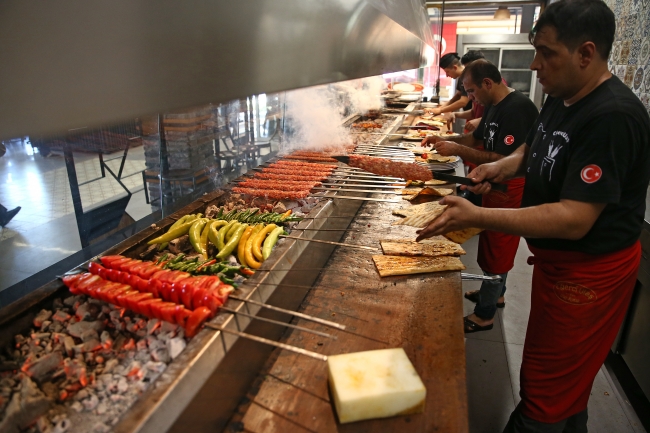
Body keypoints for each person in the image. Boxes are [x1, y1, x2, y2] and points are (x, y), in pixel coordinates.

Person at [416, 0, 650, 430]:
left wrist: (481, 217)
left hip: (588, 275)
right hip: (559, 265)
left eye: (547, 53)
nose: (536, 65)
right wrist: (496, 166)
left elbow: (574, 218)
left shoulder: (611, 116)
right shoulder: (563, 97)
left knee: (545, 389)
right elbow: (532, 148)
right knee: (564, 381)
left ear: (586, 53)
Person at [422, 60, 539, 333]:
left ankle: (485, 314)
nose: (470, 98)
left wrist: (456, 150)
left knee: (498, 248)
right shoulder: (494, 106)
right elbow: (475, 141)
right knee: (492, 243)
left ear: (488, 83)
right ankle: (495, 292)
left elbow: (503, 159)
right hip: (496, 182)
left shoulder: (517, 109)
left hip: (511, 186)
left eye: (472, 91)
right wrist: (444, 140)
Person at [440, 50, 488, 133]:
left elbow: (500, 114)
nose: (470, 97)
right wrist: (455, 114)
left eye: (470, 69)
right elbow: (474, 111)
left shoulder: (489, 85)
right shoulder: (474, 81)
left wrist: (481, 121)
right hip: (474, 125)